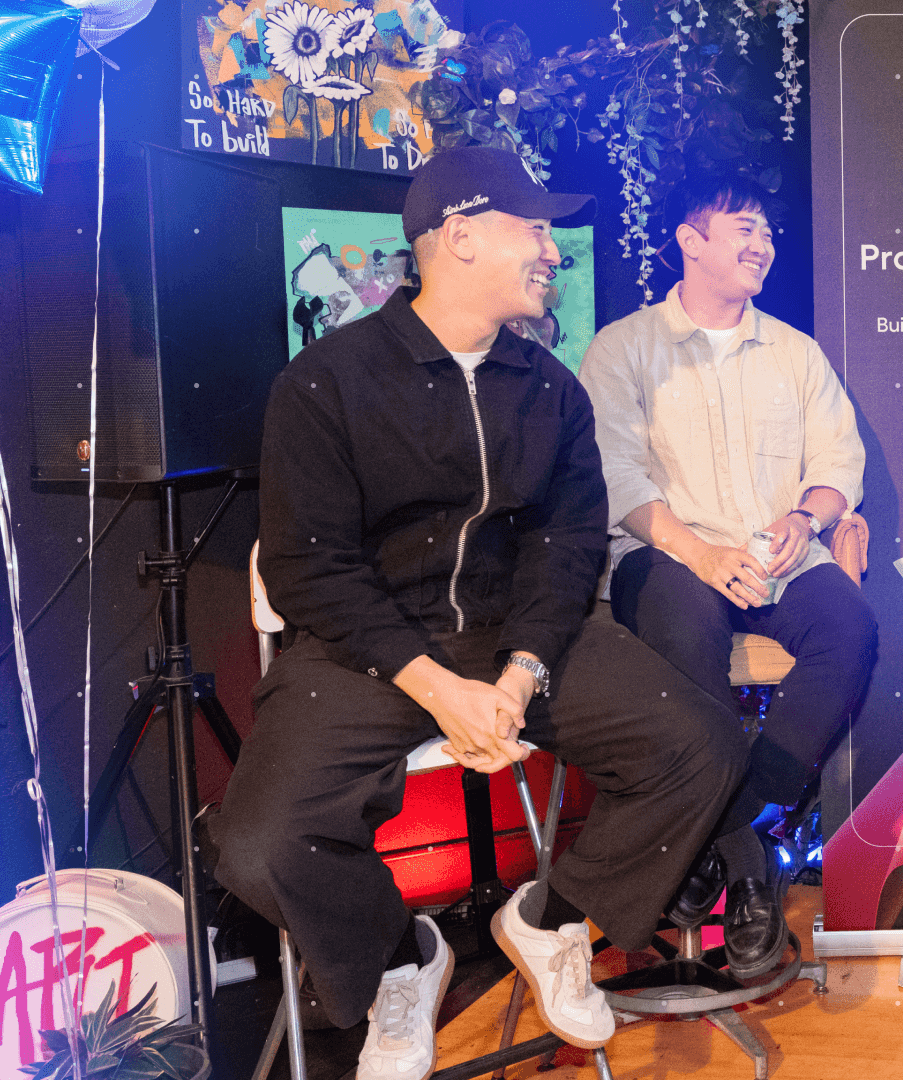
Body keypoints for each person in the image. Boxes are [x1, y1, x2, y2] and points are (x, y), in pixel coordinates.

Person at [210, 147, 747, 1079]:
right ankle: (401, 959)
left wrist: (519, 671)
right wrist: (435, 687)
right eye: (534, 227)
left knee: (701, 744)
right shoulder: (325, 383)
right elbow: (310, 569)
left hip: (514, 641)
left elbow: (567, 547)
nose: (554, 249)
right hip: (364, 650)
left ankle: (552, 920)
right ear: (457, 237)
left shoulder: (550, 389)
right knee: (257, 843)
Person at [579, 176, 877, 978]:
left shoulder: (794, 351)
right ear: (690, 239)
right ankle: (750, 865)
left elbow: (839, 461)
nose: (763, 244)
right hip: (671, 556)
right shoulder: (623, 347)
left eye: (768, 231)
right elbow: (613, 473)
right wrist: (700, 553)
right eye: (744, 227)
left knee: (851, 629)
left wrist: (804, 521)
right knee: (683, 625)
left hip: (781, 559)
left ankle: (722, 823)